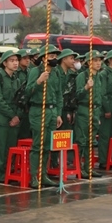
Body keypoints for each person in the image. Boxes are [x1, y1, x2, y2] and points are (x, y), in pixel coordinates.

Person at [27, 47, 71, 188]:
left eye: (55, 56)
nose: (54, 58)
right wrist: (39, 81)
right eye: (51, 56)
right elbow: (28, 91)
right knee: (37, 145)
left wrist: (58, 113)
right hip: (38, 110)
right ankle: (34, 175)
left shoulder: (56, 72)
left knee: (47, 145)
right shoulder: (36, 71)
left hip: (52, 111)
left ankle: (43, 174)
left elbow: (59, 94)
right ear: (44, 58)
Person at [0, 50, 24, 183]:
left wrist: (18, 116)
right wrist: (12, 115)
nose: (15, 63)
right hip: (1, 119)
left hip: (15, 119)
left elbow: (21, 99)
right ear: (4, 63)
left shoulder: (17, 79)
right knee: (1, 148)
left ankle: (10, 172)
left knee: (11, 147)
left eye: (16, 60)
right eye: (12, 60)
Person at [73, 50, 104, 179]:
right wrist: (86, 88)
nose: (98, 63)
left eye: (99, 60)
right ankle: (80, 168)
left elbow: (100, 96)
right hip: (84, 110)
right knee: (82, 141)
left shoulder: (99, 76)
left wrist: (98, 114)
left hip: (95, 111)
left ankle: (88, 167)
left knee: (91, 141)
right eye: (95, 60)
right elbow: (77, 95)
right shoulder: (83, 76)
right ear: (88, 62)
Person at [96, 49, 112, 169]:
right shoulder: (104, 74)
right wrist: (106, 109)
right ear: (109, 60)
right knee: (105, 136)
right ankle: (103, 160)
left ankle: (110, 159)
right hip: (107, 107)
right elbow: (103, 93)